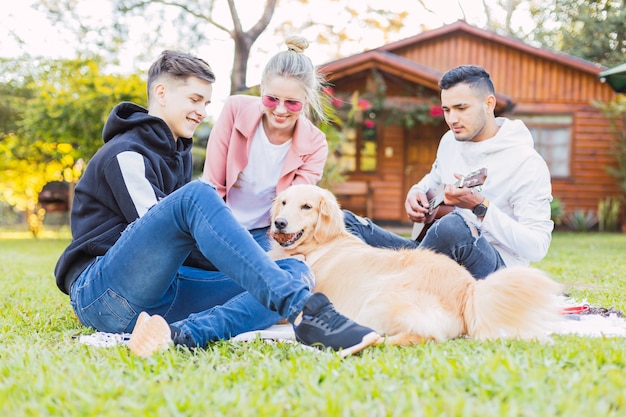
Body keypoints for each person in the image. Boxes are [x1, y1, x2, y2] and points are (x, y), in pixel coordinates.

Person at [54, 50, 381, 358]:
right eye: (195, 99)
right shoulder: (124, 154)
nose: (202, 111)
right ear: (162, 93)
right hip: (107, 296)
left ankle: (185, 335)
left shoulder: (176, 152)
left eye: (207, 102)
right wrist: (241, 261)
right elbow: (152, 231)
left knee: (295, 268)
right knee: (199, 196)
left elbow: (184, 250)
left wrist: (252, 268)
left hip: (163, 297)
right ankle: (305, 311)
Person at [343, 65, 554, 279]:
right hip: (437, 259)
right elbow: (433, 180)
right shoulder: (449, 142)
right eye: (447, 110)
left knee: (453, 227)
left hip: (497, 271)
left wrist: (480, 207)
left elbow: (537, 247)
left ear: (489, 104)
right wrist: (416, 192)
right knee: (344, 221)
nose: (452, 119)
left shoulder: (526, 163)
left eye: (461, 108)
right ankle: (399, 280)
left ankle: (395, 282)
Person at [202, 35, 328, 252]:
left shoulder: (316, 143)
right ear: (261, 91)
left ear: (306, 101)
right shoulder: (235, 109)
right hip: (219, 221)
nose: (280, 110)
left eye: (292, 103)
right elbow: (213, 184)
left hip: (266, 232)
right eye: (271, 99)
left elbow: (294, 208)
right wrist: (220, 234)